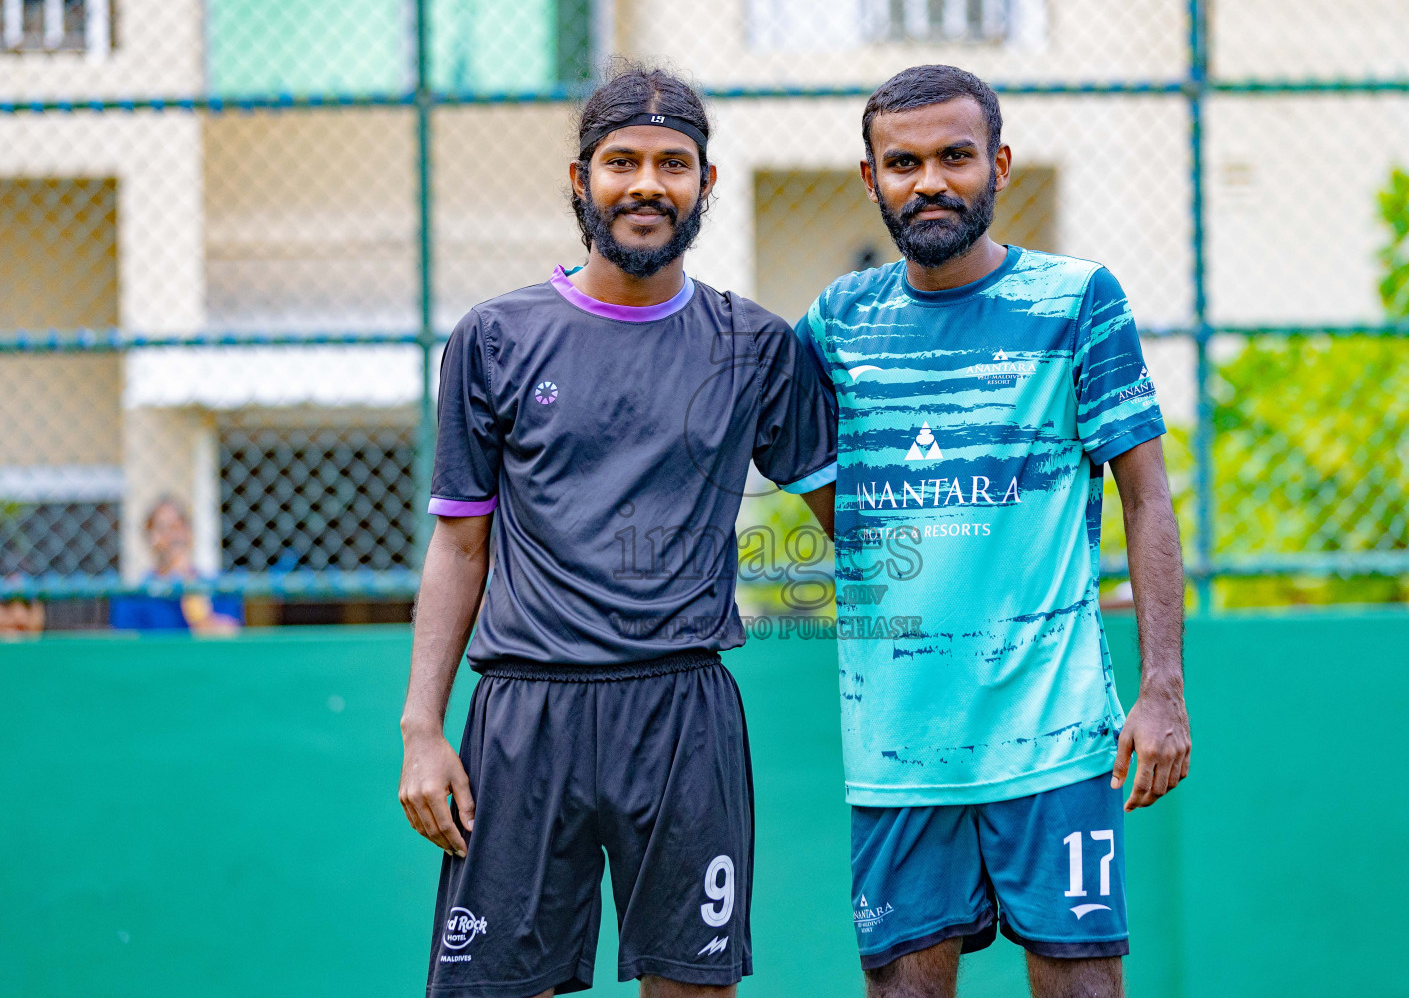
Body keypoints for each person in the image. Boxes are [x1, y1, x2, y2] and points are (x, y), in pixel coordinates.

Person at [398, 65, 837, 998]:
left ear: (706, 184)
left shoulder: (755, 346)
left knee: (693, 988)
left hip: (682, 712)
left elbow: (853, 519)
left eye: (673, 163)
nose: (647, 184)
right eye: (622, 161)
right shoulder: (494, 337)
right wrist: (421, 729)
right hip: (525, 714)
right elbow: (460, 544)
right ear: (580, 179)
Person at [794, 65, 1191, 998]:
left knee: (1083, 985)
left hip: (1056, 737)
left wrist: (1162, 688)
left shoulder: (1079, 300)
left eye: (955, 156)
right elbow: (801, 465)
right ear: (871, 179)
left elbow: (1147, 499)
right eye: (904, 163)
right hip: (898, 751)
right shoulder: (837, 321)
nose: (930, 181)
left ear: (999, 165)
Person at [109, 496, 243, 633]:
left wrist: (197, 610)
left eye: (179, 526)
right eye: (163, 527)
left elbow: (230, 636)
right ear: (150, 536)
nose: (173, 535)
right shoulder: (134, 594)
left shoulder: (218, 586)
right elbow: (125, 641)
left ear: (189, 533)